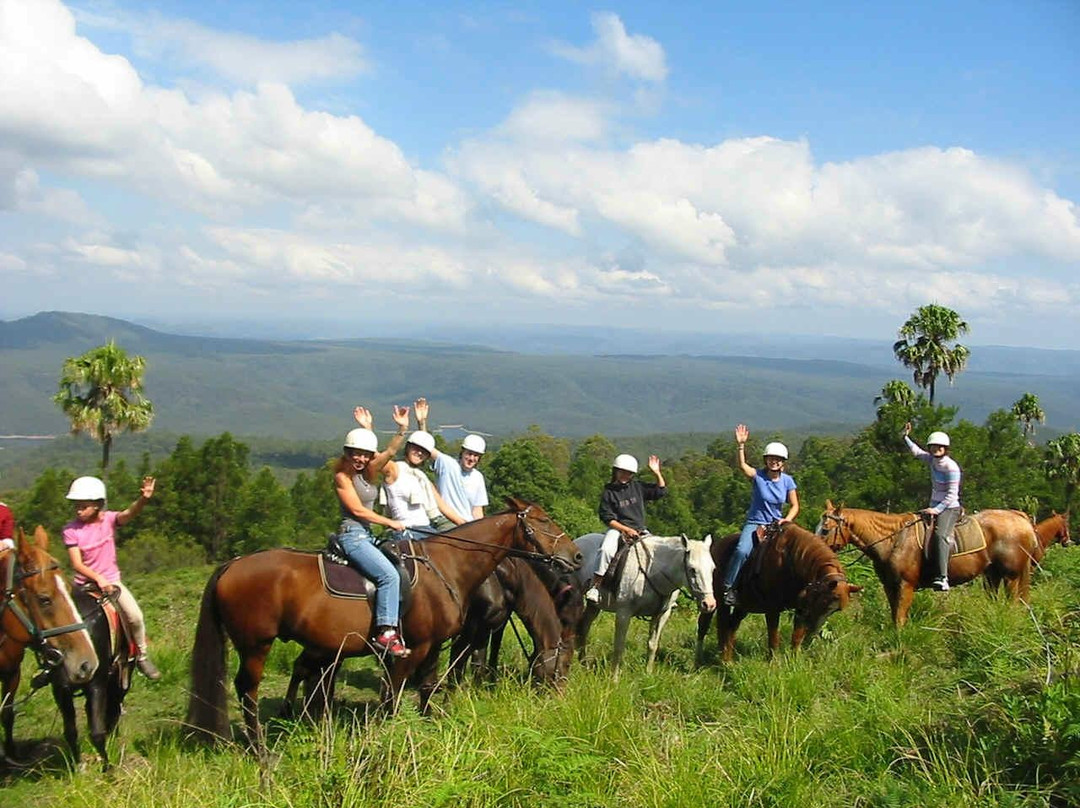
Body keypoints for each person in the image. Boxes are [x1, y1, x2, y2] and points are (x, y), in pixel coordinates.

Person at [62, 475, 162, 680]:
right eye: (76, 506)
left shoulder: (109, 520)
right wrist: (98, 578)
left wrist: (144, 499)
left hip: (112, 582)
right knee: (58, 621)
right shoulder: (70, 530)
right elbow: (77, 564)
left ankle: (141, 656)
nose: (78, 510)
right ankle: (54, 664)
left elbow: (129, 514)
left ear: (98, 505)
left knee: (135, 616)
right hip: (84, 585)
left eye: (84, 506)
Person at [335, 404, 412, 658]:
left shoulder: (368, 472)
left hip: (367, 535)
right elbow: (358, 511)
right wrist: (389, 522)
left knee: (404, 568)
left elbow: (390, 451)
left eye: (365, 455)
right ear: (347, 454)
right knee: (388, 576)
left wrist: (402, 428)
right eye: (355, 454)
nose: (360, 459)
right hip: (353, 535)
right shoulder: (342, 478)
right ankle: (386, 633)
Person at [721, 425, 799, 607]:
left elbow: (795, 505)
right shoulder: (758, 476)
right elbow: (742, 466)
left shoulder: (788, 481)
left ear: (783, 462)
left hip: (777, 524)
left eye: (778, 459)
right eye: (771, 459)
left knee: (796, 551)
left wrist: (787, 519)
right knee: (741, 551)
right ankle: (728, 587)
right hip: (756, 523)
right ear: (766, 460)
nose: (774, 462)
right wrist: (741, 446)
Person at [584, 453, 667, 604]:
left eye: (628, 473)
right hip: (617, 530)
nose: (625, 475)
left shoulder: (637, 487)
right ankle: (595, 587)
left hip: (640, 530)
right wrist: (625, 529)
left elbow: (660, 491)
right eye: (622, 471)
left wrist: (656, 472)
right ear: (615, 471)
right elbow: (607, 518)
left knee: (658, 552)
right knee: (605, 550)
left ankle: (664, 595)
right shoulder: (609, 492)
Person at [381, 413, 467, 538]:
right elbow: (385, 455)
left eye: (424, 451)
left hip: (426, 530)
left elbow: (443, 507)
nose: (419, 453)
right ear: (408, 447)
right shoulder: (394, 468)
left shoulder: (422, 477)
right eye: (416, 448)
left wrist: (467, 526)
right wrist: (402, 429)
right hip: (405, 529)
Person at [903, 422, 961, 592]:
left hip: (949, 507)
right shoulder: (932, 460)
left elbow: (952, 495)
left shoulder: (951, 467)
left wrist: (936, 510)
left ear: (945, 448)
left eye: (939, 447)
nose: (936, 449)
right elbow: (916, 452)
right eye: (933, 446)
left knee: (940, 535)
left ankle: (943, 578)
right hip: (933, 505)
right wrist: (905, 437)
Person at [414, 397, 489, 522]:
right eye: (469, 454)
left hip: (467, 525)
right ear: (462, 452)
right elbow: (427, 446)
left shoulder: (478, 477)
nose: (471, 458)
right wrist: (422, 423)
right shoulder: (447, 464)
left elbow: (477, 510)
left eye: (476, 456)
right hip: (445, 522)